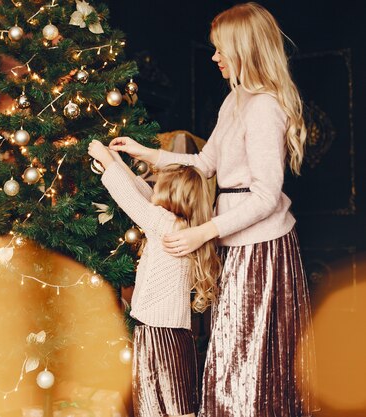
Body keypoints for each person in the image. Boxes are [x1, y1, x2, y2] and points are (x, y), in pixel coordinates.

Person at [109, 2, 317, 416]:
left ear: (245, 49)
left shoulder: (263, 108)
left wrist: (203, 232)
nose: (214, 57)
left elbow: (266, 195)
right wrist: (146, 152)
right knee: (232, 355)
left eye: (221, 49)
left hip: (262, 248)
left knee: (248, 361)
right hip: (234, 240)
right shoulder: (235, 101)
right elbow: (204, 166)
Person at [88, 141, 221, 417]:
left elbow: (130, 198)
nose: (153, 186)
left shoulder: (164, 224)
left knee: (159, 406)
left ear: (171, 193)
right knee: (179, 404)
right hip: (175, 334)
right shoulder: (178, 224)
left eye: (158, 183)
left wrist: (105, 159)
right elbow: (141, 191)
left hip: (158, 333)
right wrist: (117, 161)